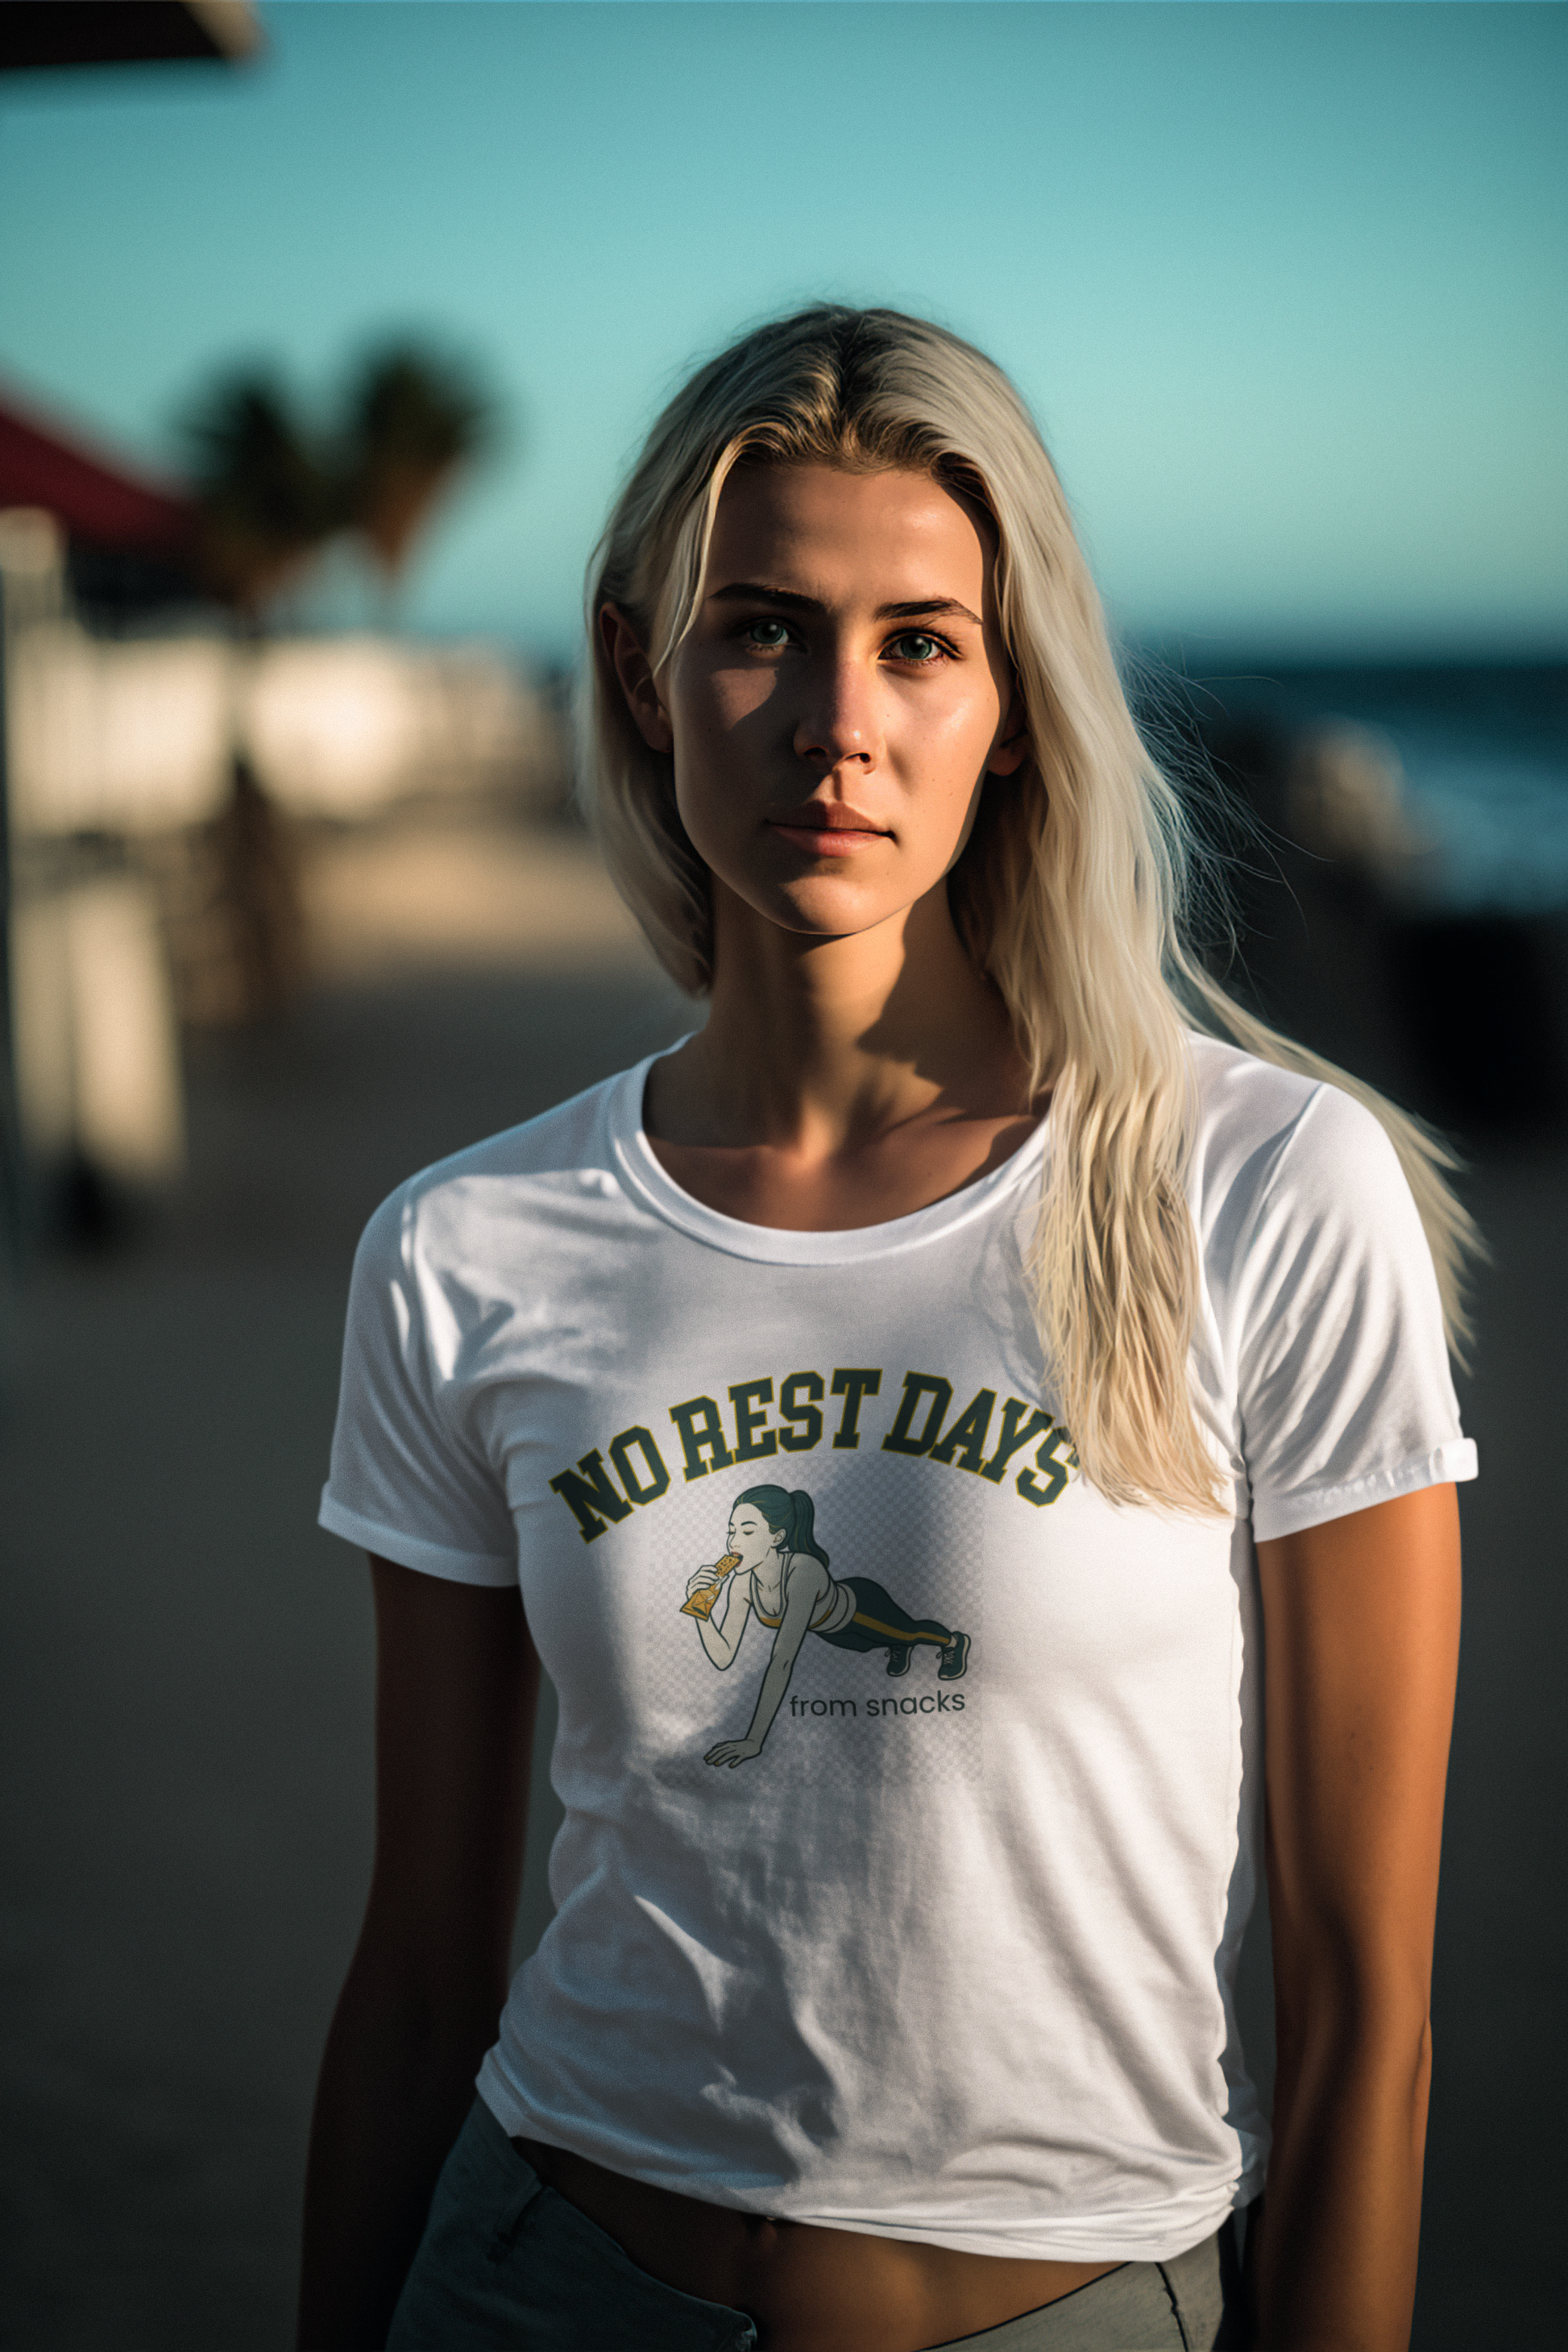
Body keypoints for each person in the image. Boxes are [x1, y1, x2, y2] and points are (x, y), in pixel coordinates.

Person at [299, 306, 1475, 2352]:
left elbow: (1371, 2009)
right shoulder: (468, 1245)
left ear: (1016, 699)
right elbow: (418, 1966)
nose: (835, 721)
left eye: (919, 640)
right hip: (540, 2286)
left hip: (1071, 2307)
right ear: (638, 672)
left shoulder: (1265, 1189)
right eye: (757, 627)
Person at [685, 1483, 970, 1769]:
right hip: (832, 1631)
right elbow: (723, 1658)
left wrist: (754, 1741)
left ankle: (953, 1643)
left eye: (747, 1532)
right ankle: (895, 1646)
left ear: (777, 1537)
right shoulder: (741, 1584)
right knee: (865, 1646)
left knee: (910, 1633)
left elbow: (782, 1659)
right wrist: (700, 1608)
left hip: (863, 1609)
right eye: (731, 1532)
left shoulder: (803, 1570)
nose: (734, 1543)